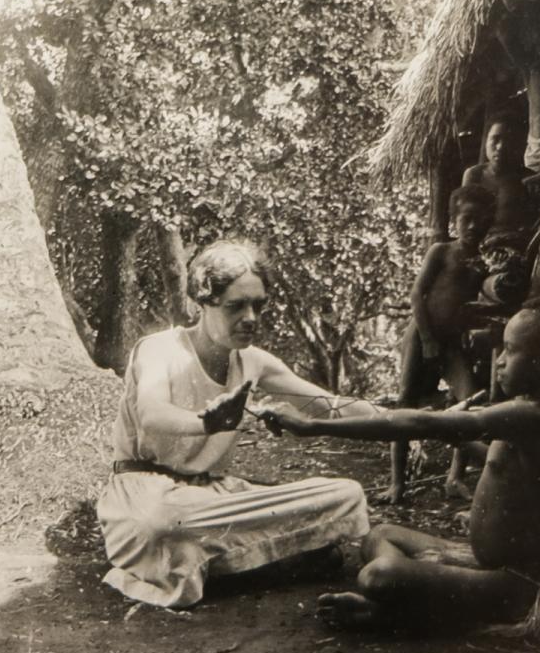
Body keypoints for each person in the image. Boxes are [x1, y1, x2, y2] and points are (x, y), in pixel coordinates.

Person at [257, 297, 540, 641]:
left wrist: (314, 426)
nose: (500, 361)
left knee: (380, 576)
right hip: (489, 568)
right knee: (381, 535)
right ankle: (414, 604)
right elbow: (500, 465)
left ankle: (391, 615)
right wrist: (460, 439)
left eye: (509, 350)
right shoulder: (528, 412)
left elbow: (419, 422)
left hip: (519, 586)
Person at [96, 239, 380, 609]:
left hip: (215, 498)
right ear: (203, 302)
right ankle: (274, 559)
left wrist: (402, 418)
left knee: (346, 493)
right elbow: (152, 414)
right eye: (236, 306)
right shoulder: (160, 349)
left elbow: (328, 405)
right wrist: (206, 423)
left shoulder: (253, 362)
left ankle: (224, 563)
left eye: (257, 305)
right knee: (165, 525)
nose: (250, 317)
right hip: (148, 495)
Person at [381, 185, 496, 505]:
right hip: (422, 335)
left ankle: (455, 478)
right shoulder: (441, 252)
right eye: (466, 219)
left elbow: (476, 302)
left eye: (479, 220)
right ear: (454, 220)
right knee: (406, 402)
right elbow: (418, 294)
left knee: (468, 401)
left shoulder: (484, 263)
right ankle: (397, 484)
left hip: (453, 344)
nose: (472, 226)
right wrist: (428, 339)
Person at [459, 115, 540, 255]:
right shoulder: (474, 175)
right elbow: (465, 218)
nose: (500, 146)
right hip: (478, 246)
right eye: (495, 139)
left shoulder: (527, 178)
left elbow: (534, 223)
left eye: (508, 141)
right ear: (486, 141)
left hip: (514, 249)